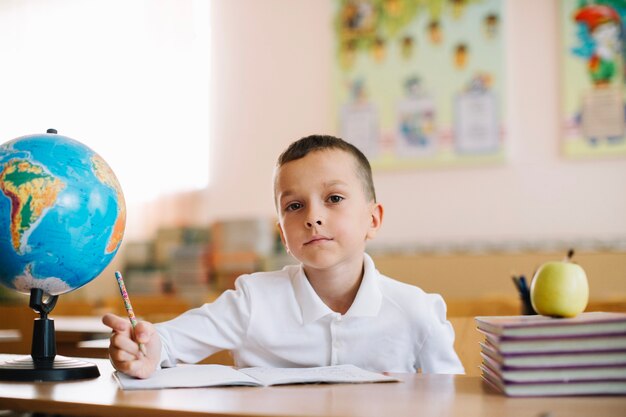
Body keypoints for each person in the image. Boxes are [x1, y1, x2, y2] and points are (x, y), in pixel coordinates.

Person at [103, 135, 464, 378]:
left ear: (373, 219)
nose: (312, 216)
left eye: (334, 198)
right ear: (283, 235)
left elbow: (453, 401)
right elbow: (166, 342)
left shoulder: (417, 311)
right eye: (294, 206)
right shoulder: (253, 300)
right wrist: (146, 350)